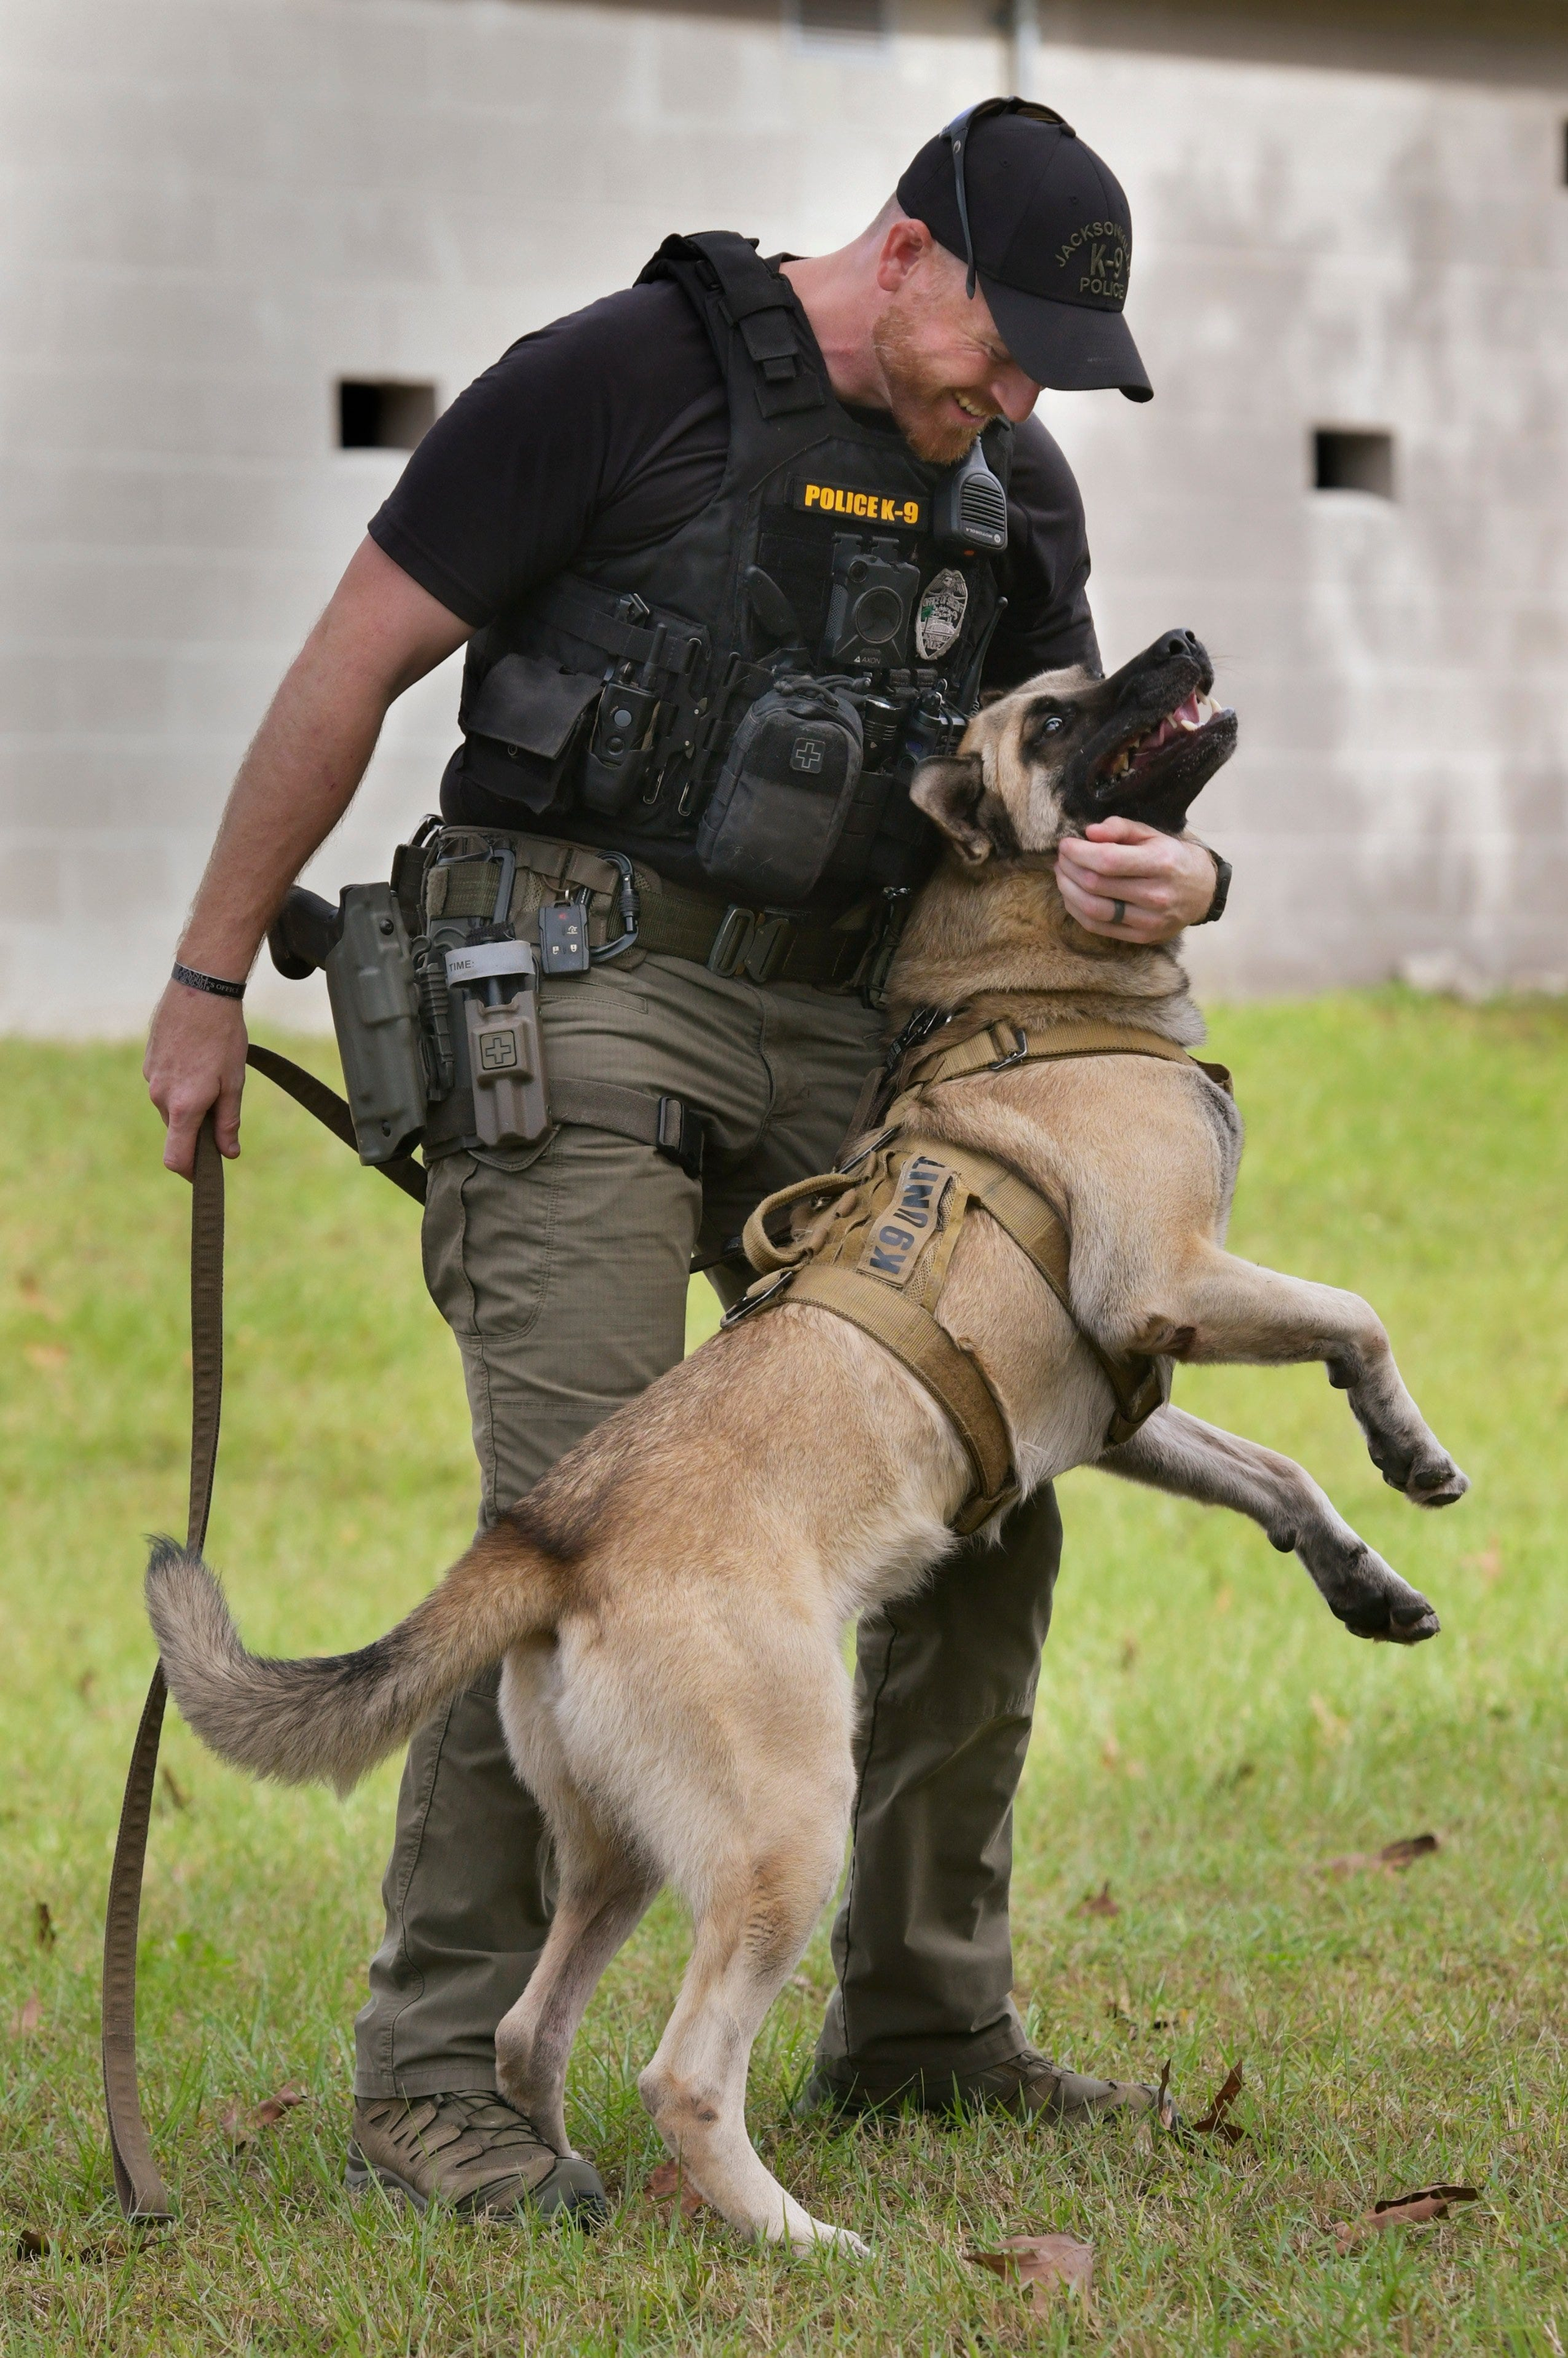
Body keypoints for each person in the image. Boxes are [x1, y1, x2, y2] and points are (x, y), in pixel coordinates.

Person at [144, 99, 1230, 2223]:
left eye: (1052, 376)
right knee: (590, 1519)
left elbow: (1077, 776)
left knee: (987, 1473)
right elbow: (354, 659)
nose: (1016, 402)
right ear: (905, 250)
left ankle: (921, 2018)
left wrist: (1179, 870)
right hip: (576, 987)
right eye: (1002, 347)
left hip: (853, 1026)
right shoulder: (611, 382)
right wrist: (204, 974)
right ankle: (438, 2083)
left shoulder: (1010, 483)